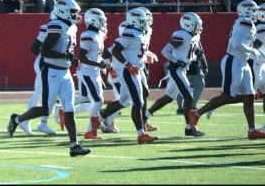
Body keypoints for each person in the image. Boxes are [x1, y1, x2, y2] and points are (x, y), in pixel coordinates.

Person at [7, 0, 92, 157]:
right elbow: (44, 51)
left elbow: (65, 50)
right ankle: (17, 120)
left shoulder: (70, 27)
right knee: (46, 108)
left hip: (65, 72)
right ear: (63, 11)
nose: (76, 14)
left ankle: (74, 146)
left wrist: (70, 59)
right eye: (73, 11)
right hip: (51, 72)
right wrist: (64, 56)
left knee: (69, 109)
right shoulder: (56, 25)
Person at [189, 0, 265, 140]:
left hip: (242, 61)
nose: (257, 14)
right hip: (234, 60)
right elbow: (237, 44)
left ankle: (252, 130)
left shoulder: (244, 21)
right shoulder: (246, 22)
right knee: (227, 96)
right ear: (248, 11)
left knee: (249, 96)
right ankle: (196, 114)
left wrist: (252, 51)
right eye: (254, 11)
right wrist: (254, 52)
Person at [89, 8, 158, 144]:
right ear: (135, 21)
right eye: (142, 21)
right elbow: (115, 50)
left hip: (135, 71)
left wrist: (145, 58)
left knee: (124, 102)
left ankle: (97, 120)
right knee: (138, 103)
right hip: (129, 73)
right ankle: (141, 134)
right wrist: (127, 64)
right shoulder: (130, 32)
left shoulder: (139, 33)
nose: (145, 23)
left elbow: (135, 52)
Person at [145, 13, 207, 137]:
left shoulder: (194, 36)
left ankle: (144, 116)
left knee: (167, 98)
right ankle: (189, 128)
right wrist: (177, 61)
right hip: (177, 70)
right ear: (187, 24)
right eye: (196, 25)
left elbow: (193, 52)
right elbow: (165, 51)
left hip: (182, 70)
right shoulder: (182, 36)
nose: (198, 27)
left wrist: (202, 62)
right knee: (188, 97)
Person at [19, 15, 57, 135]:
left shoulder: (67, 28)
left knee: (39, 94)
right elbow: (34, 48)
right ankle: (41, 122)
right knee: (50, 92)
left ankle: (29, 122)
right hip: (45, 63)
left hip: (52, 65)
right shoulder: (48, 28)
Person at [78, 8, 110, 139]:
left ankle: (91, 130)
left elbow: (95, 56)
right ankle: (90, 131)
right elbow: (81, 57)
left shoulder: (97, 34)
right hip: (88, 71)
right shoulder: (88, 35)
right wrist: (99, 64)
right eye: (101, 20)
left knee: (97, 101)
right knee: (97, 101)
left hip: (94, 71)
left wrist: (103, 63)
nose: (103, 23)